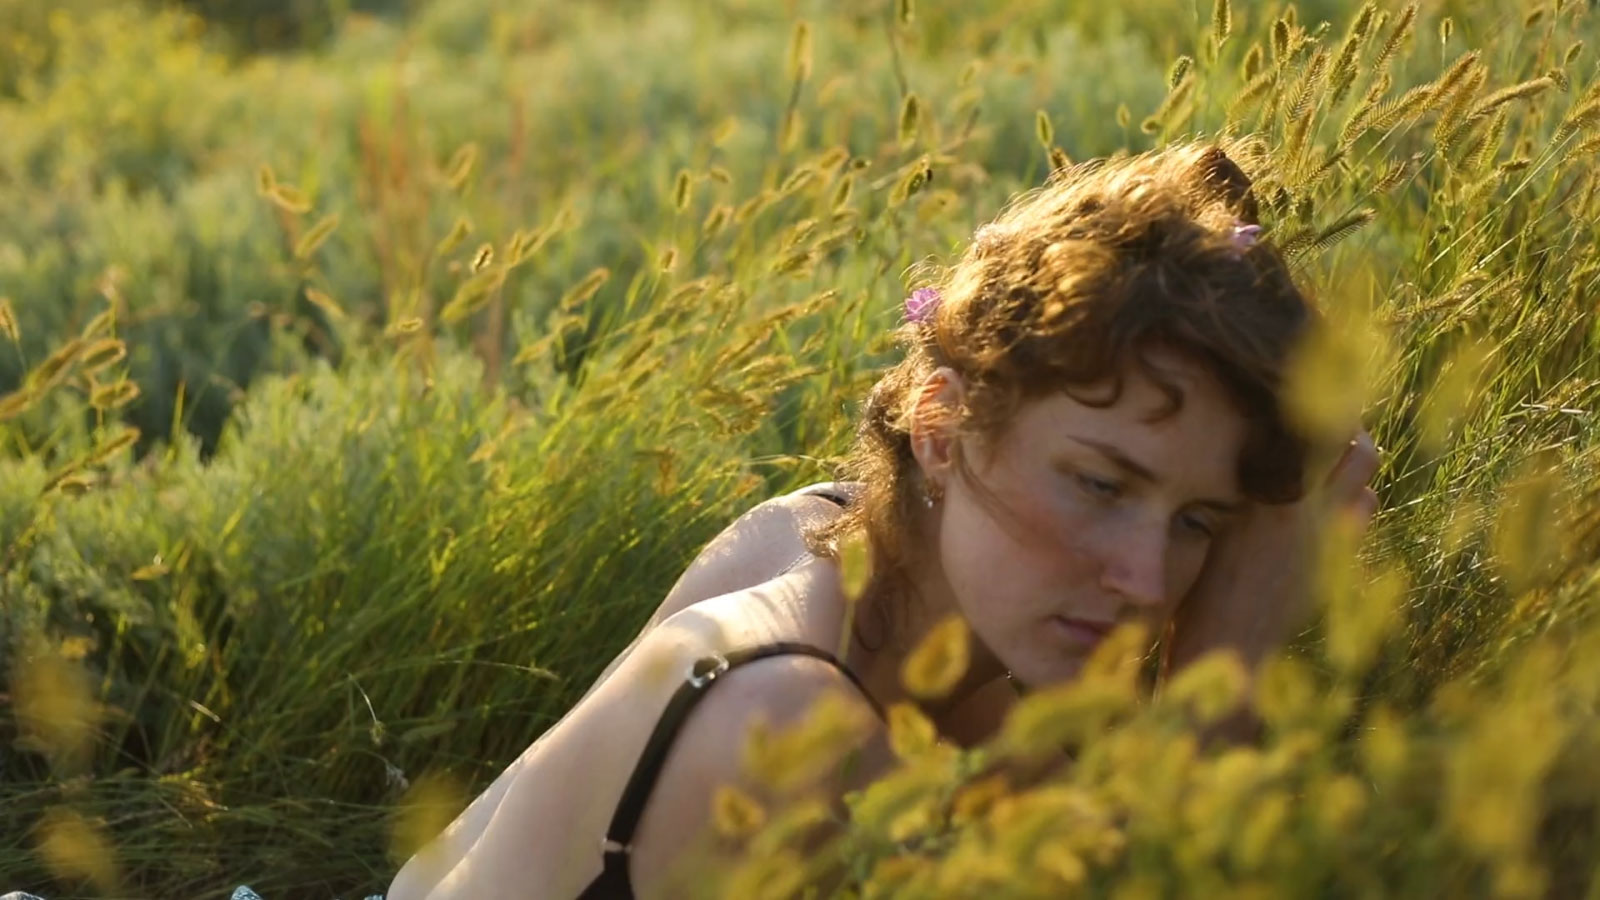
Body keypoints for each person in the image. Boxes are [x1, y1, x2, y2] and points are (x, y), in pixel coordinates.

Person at [385, 140, 1381, 900]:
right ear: (940, 425)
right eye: (1100, 485)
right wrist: (1228, 666)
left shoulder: (836, 557)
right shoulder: (783, 724)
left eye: (1199, 521)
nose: (1147, 581)